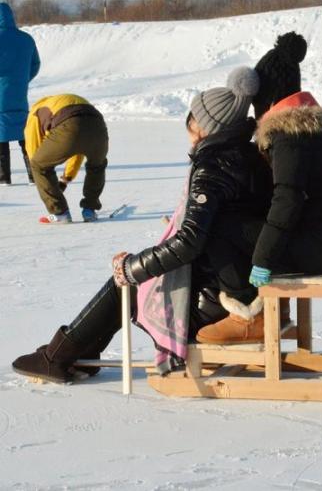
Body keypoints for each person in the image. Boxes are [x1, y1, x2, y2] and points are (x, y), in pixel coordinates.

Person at [11, 67, 273, 383]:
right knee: (135, 273)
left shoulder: (213, 166)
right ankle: (74, 354)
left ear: (201, 127)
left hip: (217, 303)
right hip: (240, 281)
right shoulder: (248, 156)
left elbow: (190, 241)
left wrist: (133, 268)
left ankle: (58, 356)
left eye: (190, 122)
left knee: (127, 279)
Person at [195, 31, 322, 344]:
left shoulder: (288, 136)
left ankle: (248, 315)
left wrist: (263, 261)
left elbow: (288, 200)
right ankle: (270, 311)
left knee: (219, 225)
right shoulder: (317, 130)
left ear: (268, 101)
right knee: (252, 227)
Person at [23, 94, 109, 223]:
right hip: (98, 127)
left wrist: (44, 179)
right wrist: (66, 178)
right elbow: (79, 148)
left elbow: (34, 152)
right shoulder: (58, 101)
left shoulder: (34, 114)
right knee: (97, 166)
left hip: (69, 126)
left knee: (38, 165)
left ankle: (60, 212)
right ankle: (89, 211)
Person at [0, 2, 39, 185]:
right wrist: (22, 80)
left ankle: (3, 177)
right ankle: (33, 175)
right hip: (19, 92)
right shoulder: (26, 39)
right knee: (24, 134)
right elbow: (35, 65)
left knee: (1, 134)